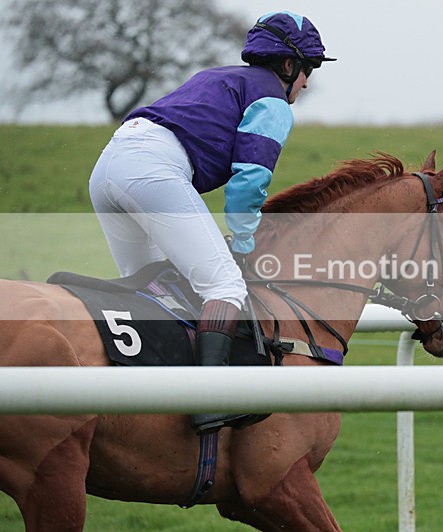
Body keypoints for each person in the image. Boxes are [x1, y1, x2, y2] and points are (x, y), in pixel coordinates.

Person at [88, 11, 335, 434]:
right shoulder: (271, 99)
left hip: (107, 168)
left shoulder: (218, 76)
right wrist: (242, 242)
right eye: (308, 69)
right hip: (152, 170)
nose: (308, 83)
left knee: (150, 286)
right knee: (224, 285)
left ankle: (146, 406)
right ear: (289, 65)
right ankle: (209, 400)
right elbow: (250, 180)